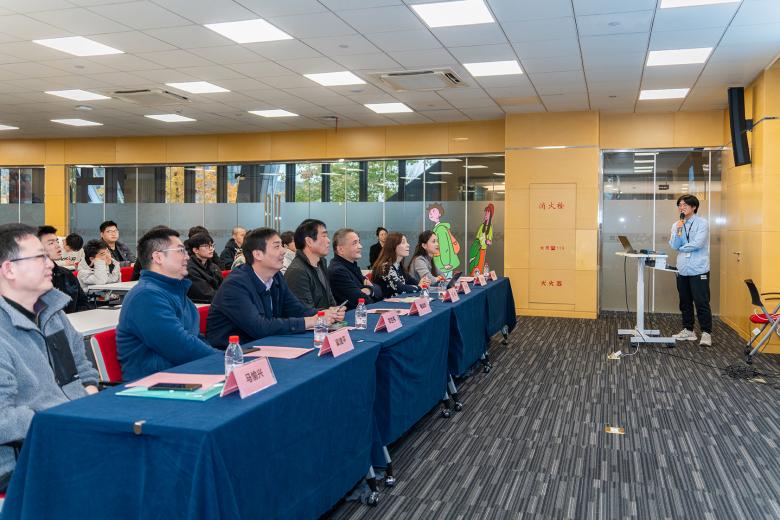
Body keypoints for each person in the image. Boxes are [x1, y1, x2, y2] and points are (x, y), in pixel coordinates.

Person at [0, 224, 99, 491]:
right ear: (9, 269)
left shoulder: (51, 312)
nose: (50, 264)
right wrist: (62, 419)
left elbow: (82, 367)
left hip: (71, 432)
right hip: (22, 459)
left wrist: (88, 395)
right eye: (39, 257)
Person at [206, 227, 344, 348]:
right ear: (257, 254)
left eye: (282, 246)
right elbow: (259, 327)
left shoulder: (276, 277)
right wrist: (310, 321)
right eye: (277, 247)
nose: (284, 251)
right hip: (231, 353)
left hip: (265, 344)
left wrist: (324, 313)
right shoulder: (235, 285)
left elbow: (296, 310)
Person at [116, 227, 217, 381]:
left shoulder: (177, 293)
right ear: (158, 257)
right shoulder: (145, 296)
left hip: (184, 375)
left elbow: (196, 340)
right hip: (154, 385)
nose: (187, 257)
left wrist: (225, 359)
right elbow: (181, 347)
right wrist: (225, 361)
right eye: (181, 251)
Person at [669, 194, 712, 347]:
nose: (682, 207)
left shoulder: (702, 223)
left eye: (685, 205)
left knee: (701, 302)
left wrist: (682, 248)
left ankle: (706, 333)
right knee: (685, 302)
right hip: (682, 269)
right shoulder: (677, 225)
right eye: (680, 205)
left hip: (699, 269)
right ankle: (688, 330)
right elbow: (674, 245)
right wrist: (678, 231)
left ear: (694, 207)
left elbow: (698, 244)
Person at [37, 226, 93, 313]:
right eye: (51, 243)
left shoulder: (67, 275)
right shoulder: (27, 279)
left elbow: (83, 302)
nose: (58, 245)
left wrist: (76, 317)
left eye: (57, 241)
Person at [285, 219, 337, 310]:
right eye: (324, 236)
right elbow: (305, 311)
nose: (328, 240)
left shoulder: (321, 264)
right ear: (309, 241)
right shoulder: (297, 271)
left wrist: (335, 310)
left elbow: (329, 298)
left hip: (326, 318)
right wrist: (330, 312)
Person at [328, 228, 382, 309]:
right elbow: (364, 301)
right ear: (341, 249)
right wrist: (371, 290)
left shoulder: (352, 266)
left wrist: (369, 290)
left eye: (359, 242)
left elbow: (379, 290)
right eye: (354, 243)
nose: (360, 246)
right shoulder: (338, 271)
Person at [371, 232, 419, 298]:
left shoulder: (399, 265)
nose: (408, 245)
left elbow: (412, 281)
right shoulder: (385, 267)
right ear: (393, 246)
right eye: (403, 242)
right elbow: (400, 288)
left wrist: (422, 283)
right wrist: (419, 287)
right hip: (385, 303)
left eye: (407, 242)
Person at [186, 233, 223, 304]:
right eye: (206, 246)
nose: (211, 249)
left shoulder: (214, 267)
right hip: (200, 305)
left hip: (217, 302)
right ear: (195, 250)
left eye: (212, 245)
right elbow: (207, 294)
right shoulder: (190, 269)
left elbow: (223, 287)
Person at [468, 203, 494, 275]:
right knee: (474, 264)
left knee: (480, 265)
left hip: (482, 250)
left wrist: (488, 242)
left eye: (488, 213)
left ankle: (479, 278)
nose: (486, 214)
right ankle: (473, 277)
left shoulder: (490, 228)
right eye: (485, 212)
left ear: (491, 215)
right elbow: (477, 238)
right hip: (477, 249)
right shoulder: (481, 226)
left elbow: (490, 241)